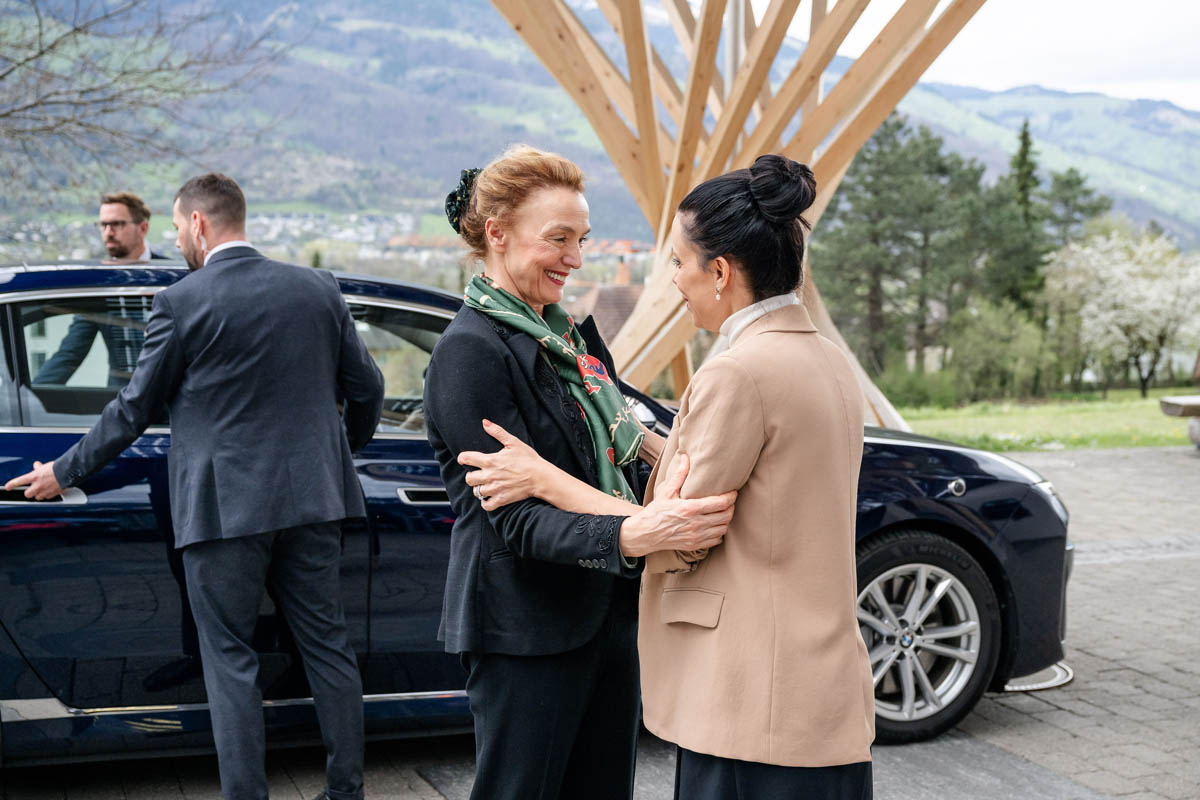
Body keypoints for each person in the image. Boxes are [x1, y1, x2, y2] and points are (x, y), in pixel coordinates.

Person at [458, 154, 875, 799]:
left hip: (750, 694)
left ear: (720, 271)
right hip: (814, 690)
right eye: (560, 238)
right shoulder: (828, 359)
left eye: (678, 262)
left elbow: (679, 532)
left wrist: (546, 478)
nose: (673, 279)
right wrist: (647, 463)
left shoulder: (730, 371)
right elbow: (706, 477)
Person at [5, 173, 384, 800]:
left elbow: (133, 408)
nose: (179, 237)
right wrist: (340, 453)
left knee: (230, 660)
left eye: (180, 226)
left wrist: (62, 470)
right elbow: (367, 388)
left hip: (222, 510)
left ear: (199, 224)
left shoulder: (181, 301)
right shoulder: (317, 288)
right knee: (327, 648)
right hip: (314, 503)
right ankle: (346, 792)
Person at [423, 145, 737, 800]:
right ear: (497, 233)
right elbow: (518, 521)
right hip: (526, 630)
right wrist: (632, 535)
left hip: (608, 615)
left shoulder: (570, 341)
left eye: (582, 240)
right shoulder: (469, 353)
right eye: (558, 238)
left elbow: (617, 450)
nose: (574, 257)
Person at [34, 192, 170, 385]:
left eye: (117, 224)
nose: (108, 232)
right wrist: (31, 395)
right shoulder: (100, 283)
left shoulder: (171, 275)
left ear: (143, 228)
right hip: (122, 396)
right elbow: (70, 353)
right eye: (103, 225)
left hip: (170, 396)